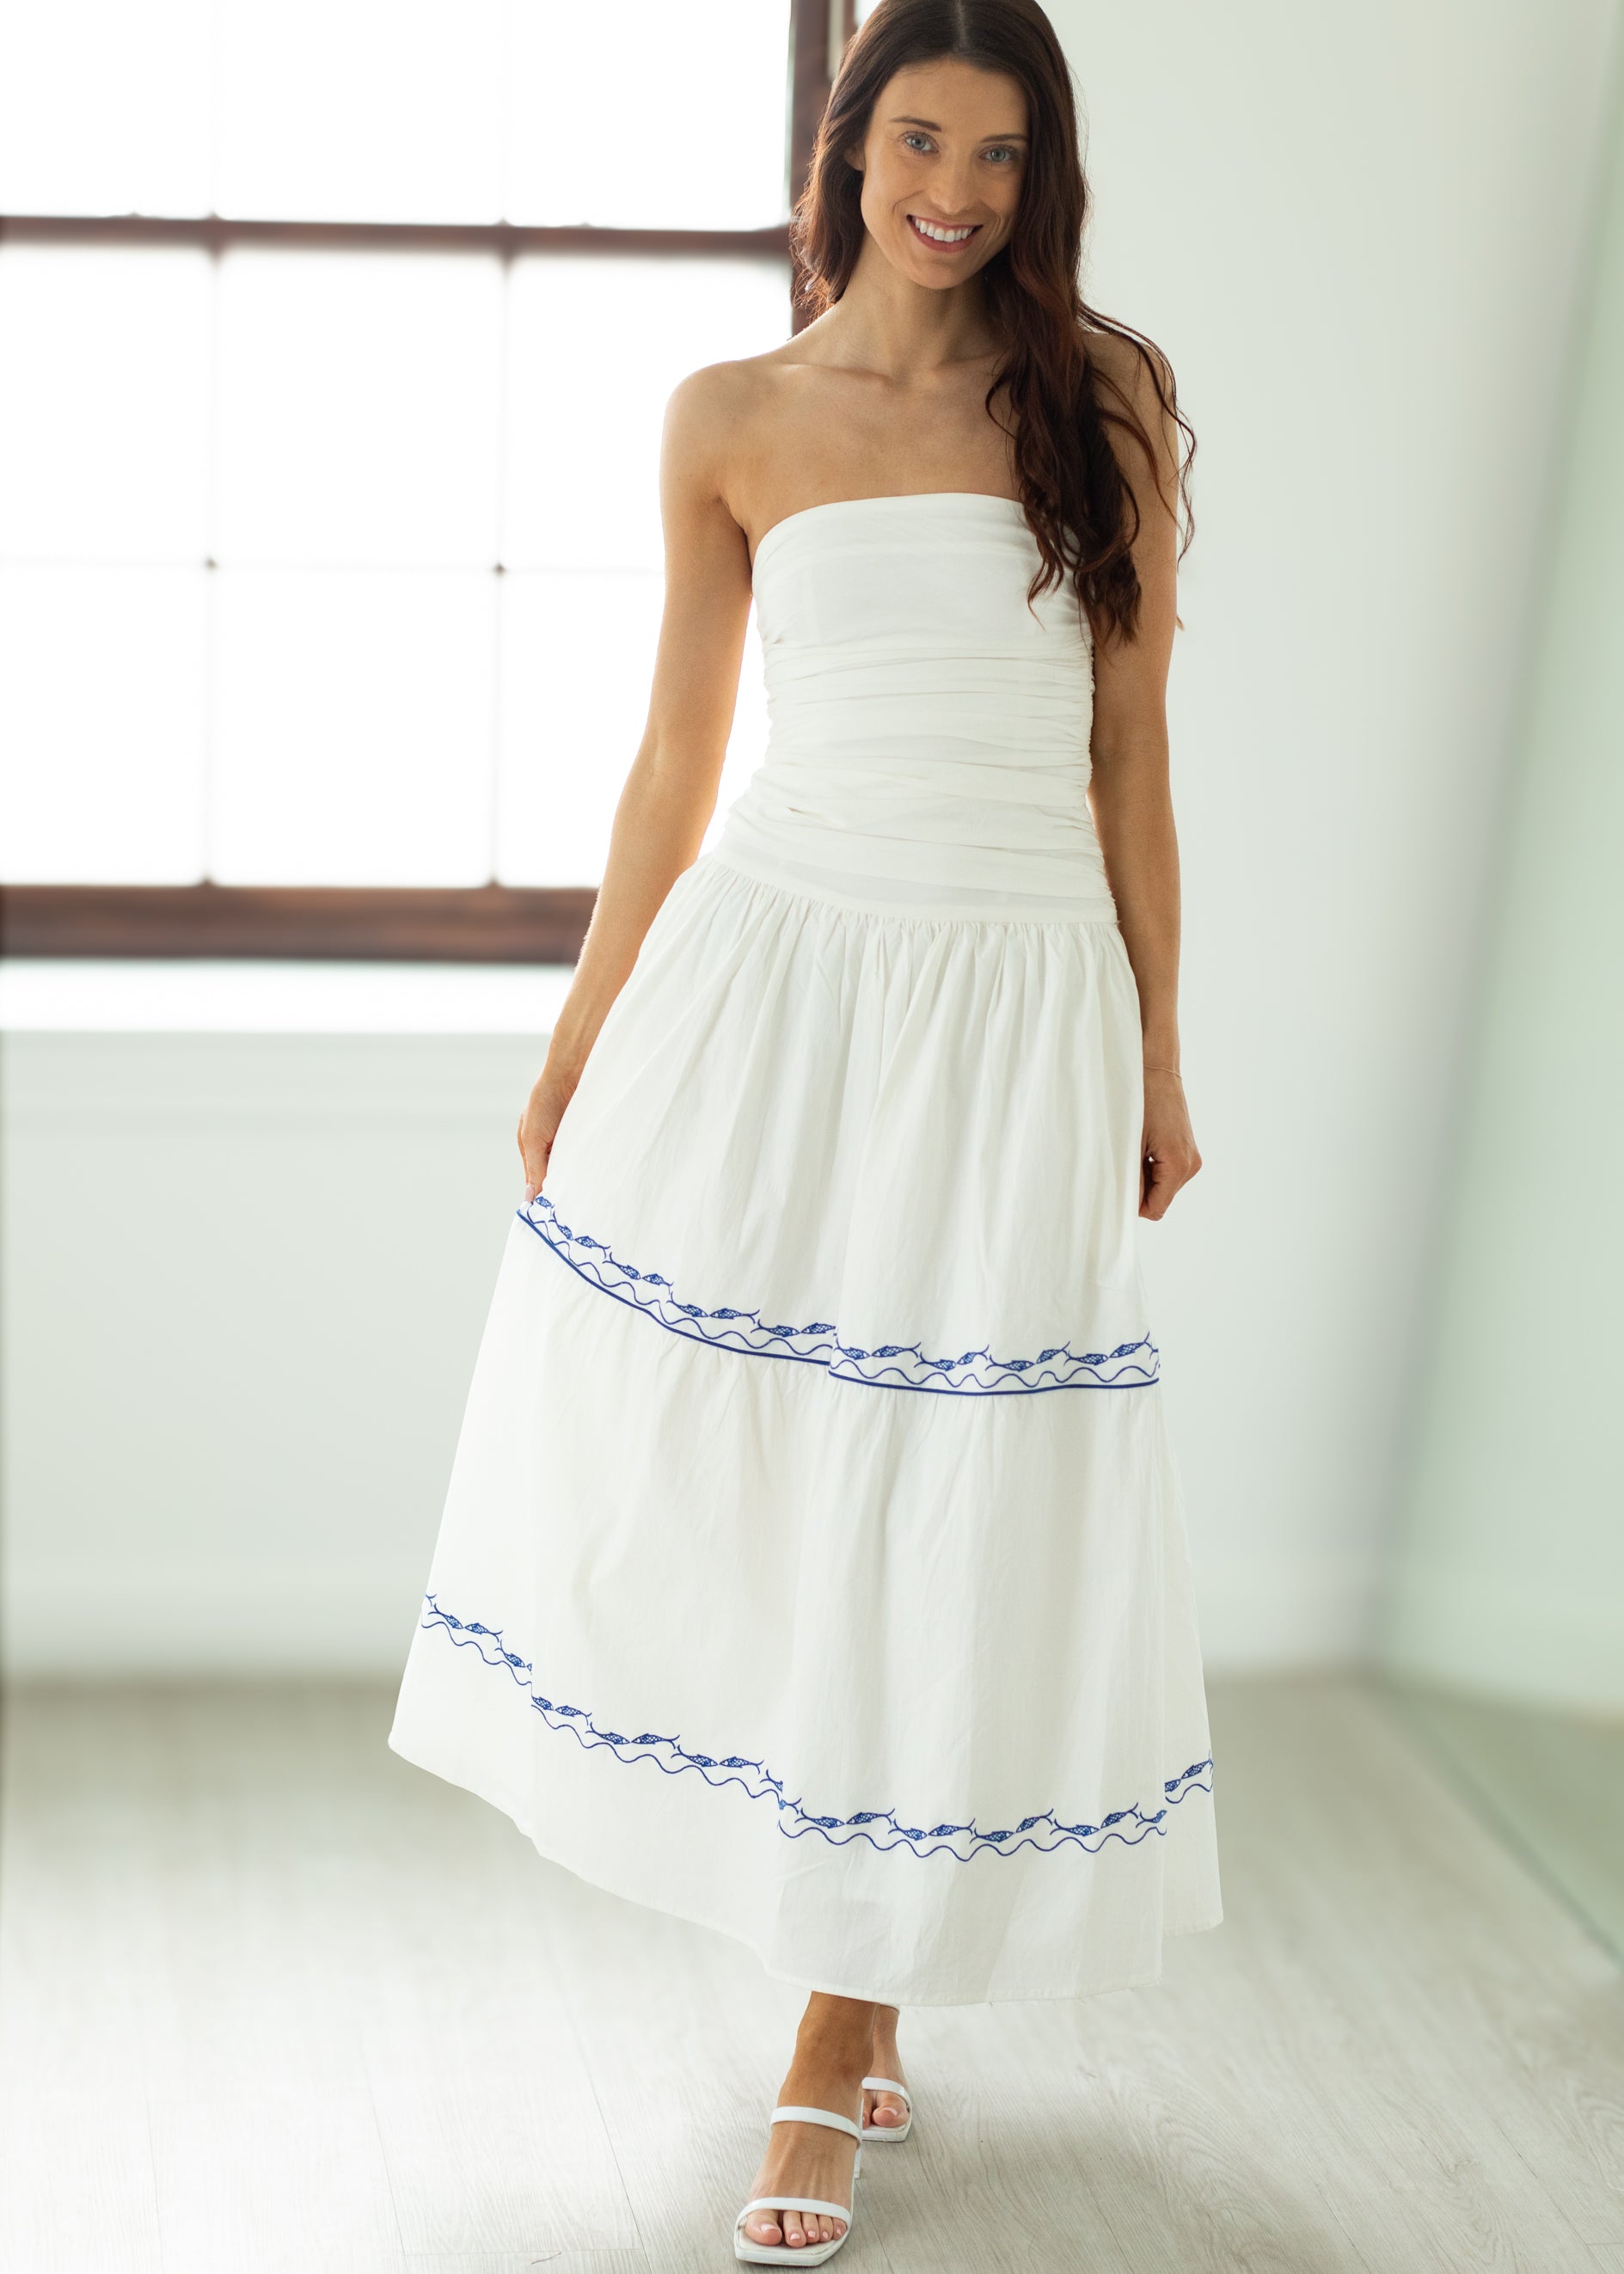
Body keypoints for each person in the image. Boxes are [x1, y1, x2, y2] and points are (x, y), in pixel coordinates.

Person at [390, 0, 1222, 2260]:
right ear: (844, 153)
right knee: (768, 1472)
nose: (953, 186)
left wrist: (1155, 1049)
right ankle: (842, 2010)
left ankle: (825, 2028)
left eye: (997, 148)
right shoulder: (733, 418)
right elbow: (673, 763)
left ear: (1042, 169)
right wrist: (581, 1038)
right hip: (778, 978)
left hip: (1008, 997)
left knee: (943, 1492)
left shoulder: (1106, 397)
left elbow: (1126, 756)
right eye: (915, 140)